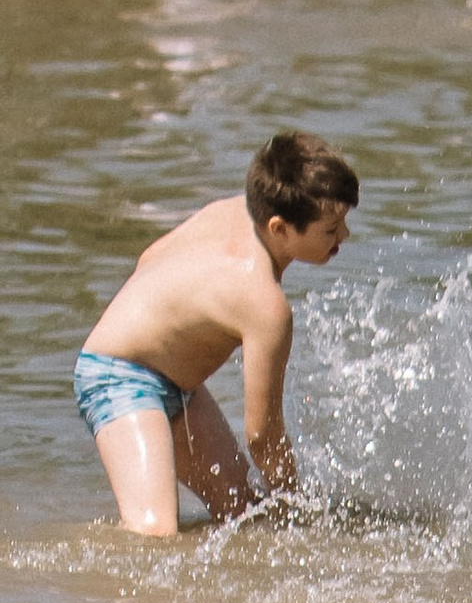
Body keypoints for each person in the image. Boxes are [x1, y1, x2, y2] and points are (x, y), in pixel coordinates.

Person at [74, 127, 355, 537]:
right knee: (154, 533)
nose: (343, 237)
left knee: (244, 515)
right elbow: (263, 435)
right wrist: (298, 510)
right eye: (330, 230)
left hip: (174, 381)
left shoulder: (231, 210)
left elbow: (150, 257)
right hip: (117, 374)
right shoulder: (266, 305)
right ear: (279, 228)